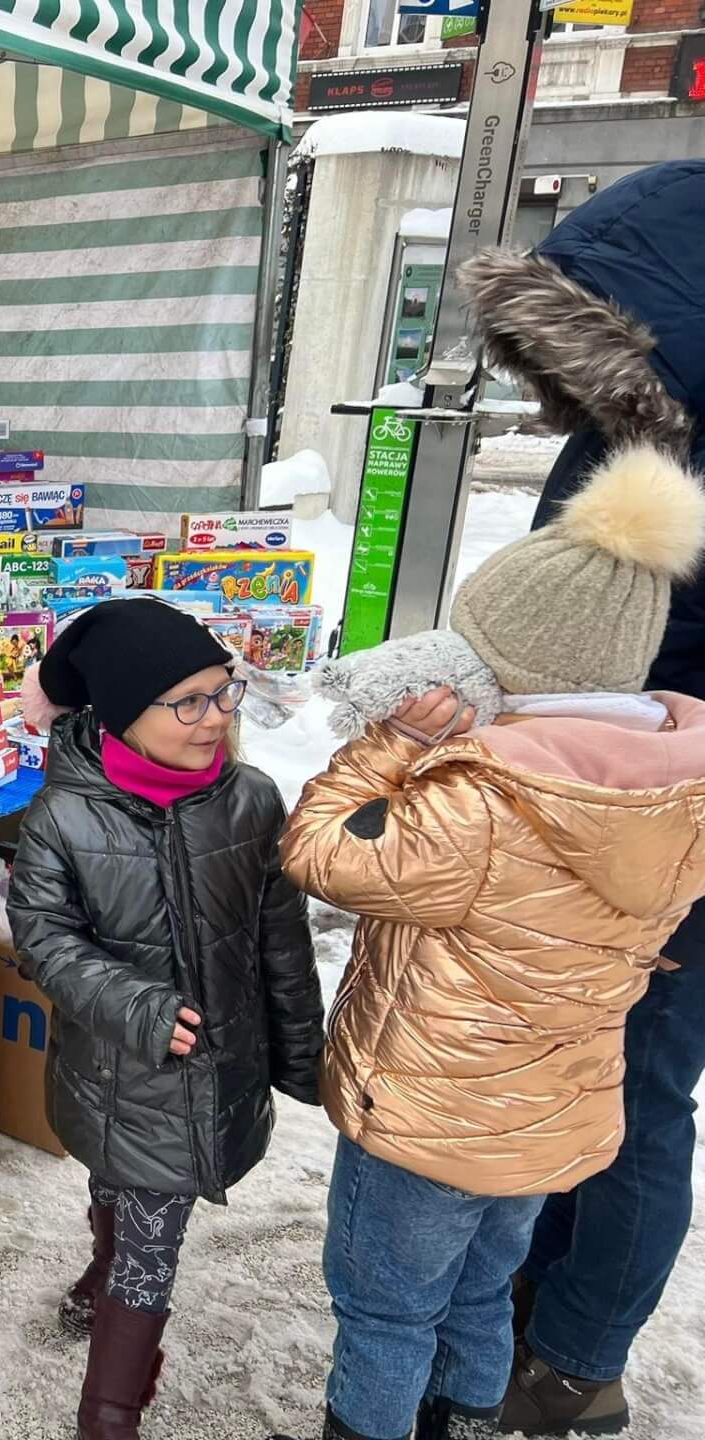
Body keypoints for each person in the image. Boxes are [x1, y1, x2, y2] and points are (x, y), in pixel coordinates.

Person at [277, 444, 705, 1440]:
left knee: (387, 1313)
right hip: (548, 1121)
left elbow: (322, 851)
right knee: (480, 1294)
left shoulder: (483, 798)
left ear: (512, 656)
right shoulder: (673, 787)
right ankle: (467, 1425)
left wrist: (396, 745)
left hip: (431, 1120)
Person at [461, 157, 705, 1438]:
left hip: (680, 820)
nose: (561, 404)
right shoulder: (639, 426)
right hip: (581, 791)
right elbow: (565, 606)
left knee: (642, 1078)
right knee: (573, 1051)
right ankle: (529, 1301)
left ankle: (578, 1361)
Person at [6, 598, 323, 1440]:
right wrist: (133, 1004)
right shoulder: (63, 815)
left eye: (225, 693)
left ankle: (104, 1283)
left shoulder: (251, 799)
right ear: (119, 714)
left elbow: (278, 936)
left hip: (217, 1067)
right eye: (187, 702)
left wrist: (300, 1052)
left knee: (148, 1234)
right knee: (130, 1208)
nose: (214, 717)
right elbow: (43, 939)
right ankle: (108, 1415)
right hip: (119, 1065)